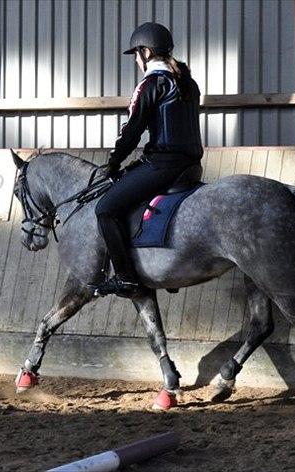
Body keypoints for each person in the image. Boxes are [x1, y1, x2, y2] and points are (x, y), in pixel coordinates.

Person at [93, 22, 203, 298]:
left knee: (105, 209)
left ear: (145, 52)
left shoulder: (151, 84)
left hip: (162, 165)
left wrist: (113, 163)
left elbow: (132, 130)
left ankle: (126, 278)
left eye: (136, 55)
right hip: (191, 166)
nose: (136, 62)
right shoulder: (188, 83)